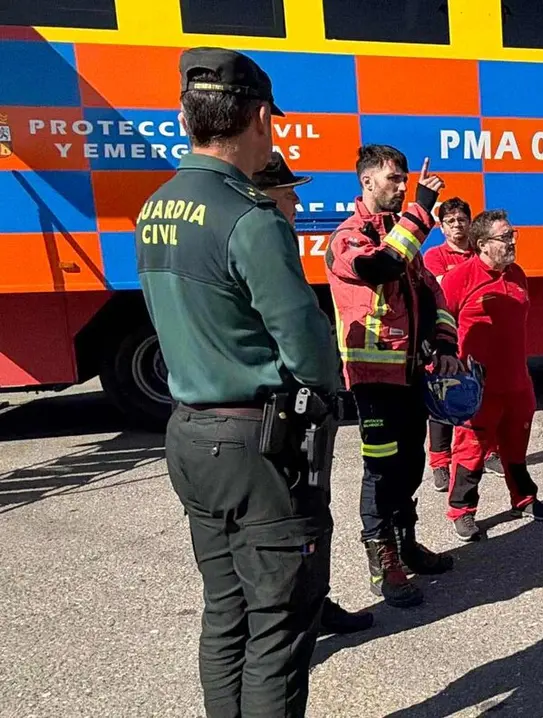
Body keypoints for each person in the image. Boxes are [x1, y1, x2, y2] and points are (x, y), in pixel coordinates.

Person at [136, 48, 337, 717]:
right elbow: (305, 344)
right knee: (278, 623)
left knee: (226, 614)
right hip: (257, 445)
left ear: (184, 116)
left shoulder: (155, 207)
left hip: (189, 433)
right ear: (259, 116)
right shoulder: (250, 216)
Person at [324, 144, 460, 608]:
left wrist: (444, 345)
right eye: (393, 180)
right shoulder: (349, 236)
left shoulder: (403, 236)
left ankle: (406, 546)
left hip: (409, 376)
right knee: (381, 470)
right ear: (366, 182)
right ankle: (383, 563)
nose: (401, 187)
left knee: (410, 464)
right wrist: (421, 210)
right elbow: (379, 266)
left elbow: (432, 293)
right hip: (373, 379)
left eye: (405, 179)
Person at [251, 151, 374, 636]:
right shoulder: (261, 241)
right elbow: (294, 330)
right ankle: (297, 617)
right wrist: (323, 385)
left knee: (310, 517)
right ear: (264, 197)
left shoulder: (269, 240)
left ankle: (313, 603)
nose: (297, 200)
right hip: (284, 411)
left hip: (290, 411)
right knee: (296, 520)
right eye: (288, 192)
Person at [440, 210, 543, 541]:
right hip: (477, 389)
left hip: (518, 384)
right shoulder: (459, 278)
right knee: (471, 451)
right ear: (482, 244)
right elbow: (440, 324)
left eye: (512, 235)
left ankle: (523, 499)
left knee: (516, 448)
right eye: (505, 237)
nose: (512, 242)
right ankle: (462, 511)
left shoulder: (517, 274)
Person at [421, 197, 503, 491]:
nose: (457, 225)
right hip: (445, 338)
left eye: (462, 220)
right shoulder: (434, 256)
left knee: (486, 397)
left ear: (471, 223)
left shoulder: (476, 253)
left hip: (478, 338)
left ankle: (490, 451)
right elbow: (442, 287)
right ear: (441, 227)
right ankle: (441, 463)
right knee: (443, 401)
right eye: (450, 221)